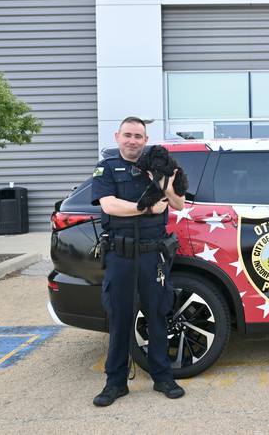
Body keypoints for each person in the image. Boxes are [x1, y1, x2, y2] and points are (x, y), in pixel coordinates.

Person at [90, 116, 185, 406]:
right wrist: (147, 208)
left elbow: (179, 204)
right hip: (120, 255)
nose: (133, 141)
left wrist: (167, 186)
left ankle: (163, 377)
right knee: (120, 318)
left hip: (152, 255)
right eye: (128, 135)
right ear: (118, 136)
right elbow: (109, 205)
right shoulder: (106, 168)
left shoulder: (158, 165)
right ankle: (115, 383)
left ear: (145, 140)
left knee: (157, 315)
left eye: (138, 136)